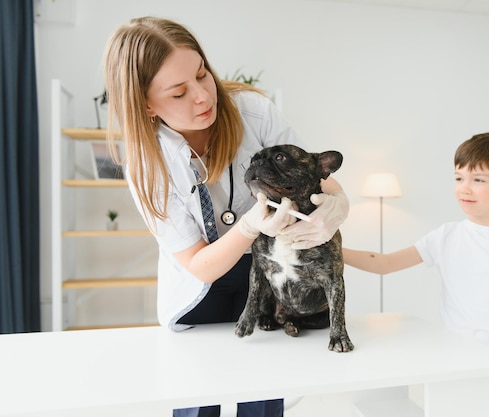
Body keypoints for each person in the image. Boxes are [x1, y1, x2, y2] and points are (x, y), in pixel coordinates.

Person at [103, 16, 349, 417]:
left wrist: (340, 203)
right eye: (179, 93)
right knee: (199, 397)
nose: (203, 96)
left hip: (267, 277)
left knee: (263, 394)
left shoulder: (253, 111)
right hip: (204, 286)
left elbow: (315, 176)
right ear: (146, 104)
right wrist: (251, 225)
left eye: (202, 75)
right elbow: (199, 266)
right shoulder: (147, 164)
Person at [343, 132, 489, 417]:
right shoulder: (447, 235)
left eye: (478, 180)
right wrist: (334, 252)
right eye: (458, 178)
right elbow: (385, 263)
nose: (465, 188)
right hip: (455, 366)